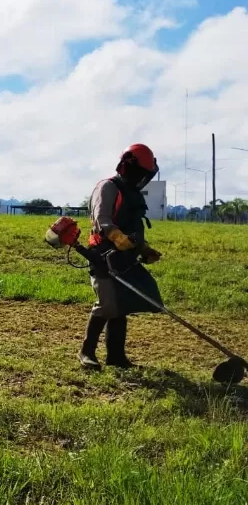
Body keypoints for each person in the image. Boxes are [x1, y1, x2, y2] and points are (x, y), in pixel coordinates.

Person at [79, 144, 164, 369]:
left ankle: (116, 357)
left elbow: (132, 228)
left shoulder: (133, 194)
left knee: (121, 305)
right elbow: (102, 221)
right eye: (141, 173)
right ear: (129, 167)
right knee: (107, 304)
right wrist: (118, 237)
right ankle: (86, 352)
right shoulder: (108, 187)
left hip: (125, 258)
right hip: (103, 255)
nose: (143, 179)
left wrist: (144, 249)